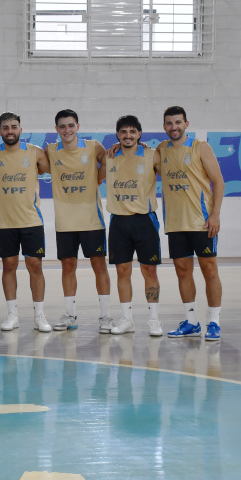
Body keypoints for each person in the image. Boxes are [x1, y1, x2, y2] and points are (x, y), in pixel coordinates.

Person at [158, 106, 225, 342]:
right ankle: (192, 321)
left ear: (186, 123)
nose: (173, 127)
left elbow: (218, 181)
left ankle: (214, 322)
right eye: (169, 123)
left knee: (209, 270)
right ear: (164, 126)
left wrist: (215, 214)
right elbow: (138, 157)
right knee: (183, 272)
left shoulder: (200, 148)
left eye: (178, 122)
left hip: (202, 223)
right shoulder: (161, 150)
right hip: (176, 224)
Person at [0, 112, 52, 333]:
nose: (10, 131)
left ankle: (39, 315)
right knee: (8, 267)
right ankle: (12, 315)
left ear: (20, 130)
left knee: (35, 266)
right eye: (5, 127)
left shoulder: (35, 153)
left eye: (14, 127)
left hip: (31, 220)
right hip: (5, 222)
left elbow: (48, 168)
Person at [45, 110, 112, 333]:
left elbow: (109, 161)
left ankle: (105, 316)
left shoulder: (93, 147)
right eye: (62, 126)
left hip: (92, 220)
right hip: (65, 222)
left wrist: (97, 179)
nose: (67, 130)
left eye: (71, 125)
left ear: (78, 126)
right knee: (68, 267)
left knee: (99, 266)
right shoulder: (51, 150)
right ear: (56, 129)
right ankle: (70, 315)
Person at [106, 115, 163, 336]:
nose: (128, 136)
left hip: (145, 220)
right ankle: (127, 318)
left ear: (140, 134)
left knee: (149, 270)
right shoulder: (109, 156)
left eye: (132, 131)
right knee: (123, 271)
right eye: (123, 132)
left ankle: (154, 319)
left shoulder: (152, 155)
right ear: (117, 134)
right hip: (118, 221)